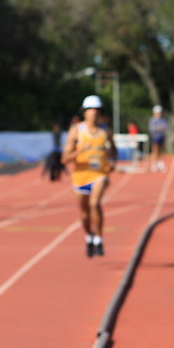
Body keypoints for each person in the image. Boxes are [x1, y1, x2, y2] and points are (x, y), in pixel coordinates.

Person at [62, 95, 116, 257]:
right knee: (84, 212)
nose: (93, 113)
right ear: (84, 113)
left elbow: (113, 149)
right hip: (80, 177)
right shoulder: (77, 131)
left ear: (100, 113)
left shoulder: (105, 131)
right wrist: (80, 151)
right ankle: (89, 236)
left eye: (96, 110)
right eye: (90, 110)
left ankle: (99, 239)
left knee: (95, 203)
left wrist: (112, 161)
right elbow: (65, 159)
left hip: (100, 174)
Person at [148, 104, 167, 172]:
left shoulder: (163, 119)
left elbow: (165, 127)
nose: (159, 114)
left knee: (161, 150)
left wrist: (159, 128)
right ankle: (154, 164)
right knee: (155, 150)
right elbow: (152, 129)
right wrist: (158, 128)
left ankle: (160, 163)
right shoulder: (152, 120)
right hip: (155, 137)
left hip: (161, 136)